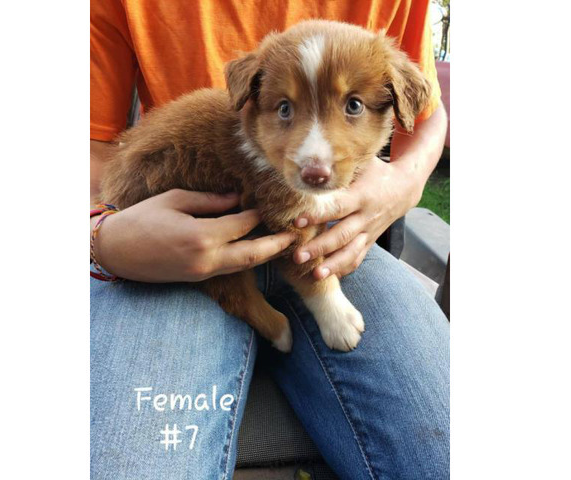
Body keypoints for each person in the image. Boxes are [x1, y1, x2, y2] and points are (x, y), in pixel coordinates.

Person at [90, 1, 449, 479]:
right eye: (285, 109)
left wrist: (400, 183)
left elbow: (425, 117)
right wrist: (102, 236)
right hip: (166, 251)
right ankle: (245, 303)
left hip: (337, 241)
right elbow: (92, 149)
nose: (315, 154)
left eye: (353, 107)